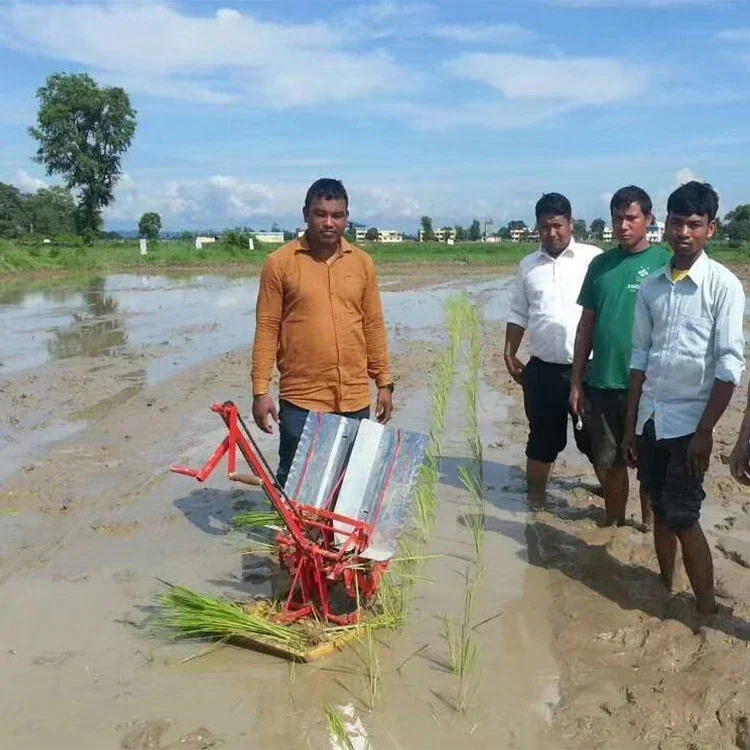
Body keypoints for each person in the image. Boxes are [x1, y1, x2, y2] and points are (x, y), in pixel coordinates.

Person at [623, 181, 745, 614]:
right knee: (657, 505)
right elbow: (640, 357)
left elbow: (730, 366)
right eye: (677, 222)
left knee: (684, 516)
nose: (684, 232)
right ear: (665, 225)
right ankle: (664, 587)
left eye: (695, 224)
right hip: (652, 418)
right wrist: (631, 427)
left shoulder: (723, 286)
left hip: (691, 425)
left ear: (710, 229)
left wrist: (706, 432)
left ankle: (706, 609)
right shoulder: (653, 286)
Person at [250, 178, 394, 487]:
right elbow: (267, 328)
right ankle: (293, 534)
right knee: (295, 479)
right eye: (320, 213)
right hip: (302, 398)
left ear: (346, 217)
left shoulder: (363, 264)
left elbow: (373, 325)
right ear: (305, 214)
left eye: (337, 215)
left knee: (348, 481)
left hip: (353, 397)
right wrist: (260, 391)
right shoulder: (279, 264)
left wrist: (384, 383)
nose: (329, 222)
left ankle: (333, 537)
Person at [570, 186, 671, 528]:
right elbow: (586, 326)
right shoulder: (600, 265)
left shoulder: (665, 263)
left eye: (631, 218)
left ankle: (647, 527)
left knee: (648, 466)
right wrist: (576, 381)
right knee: (606, 461)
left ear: (648, 220)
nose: (624, 225)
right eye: (618, 218)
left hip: (649, 388)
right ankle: (614, 523)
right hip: (603, 382)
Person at [504, 192, 601, 504]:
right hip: (543, 369)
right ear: (537, 228)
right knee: (542, 440)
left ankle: (613, 506)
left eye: (558, 225)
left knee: (597, 441)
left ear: (571, 224)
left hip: (589, 371)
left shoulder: (593, 259)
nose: (552, 233)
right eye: (545, 227)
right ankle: (535, 501)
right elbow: (519, 312)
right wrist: (509, 352)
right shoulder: (528, 266)